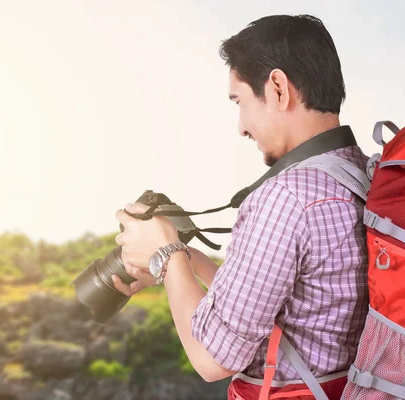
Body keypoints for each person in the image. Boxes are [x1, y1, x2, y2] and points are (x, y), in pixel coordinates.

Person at [113, 14, 369, 400]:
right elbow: (271, 308)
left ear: (278, 88)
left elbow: (212, 358)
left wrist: (167, 255)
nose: (241, 127)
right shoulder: (361, 174)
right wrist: (187, 259)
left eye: (240, 101)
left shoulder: (286, 197)